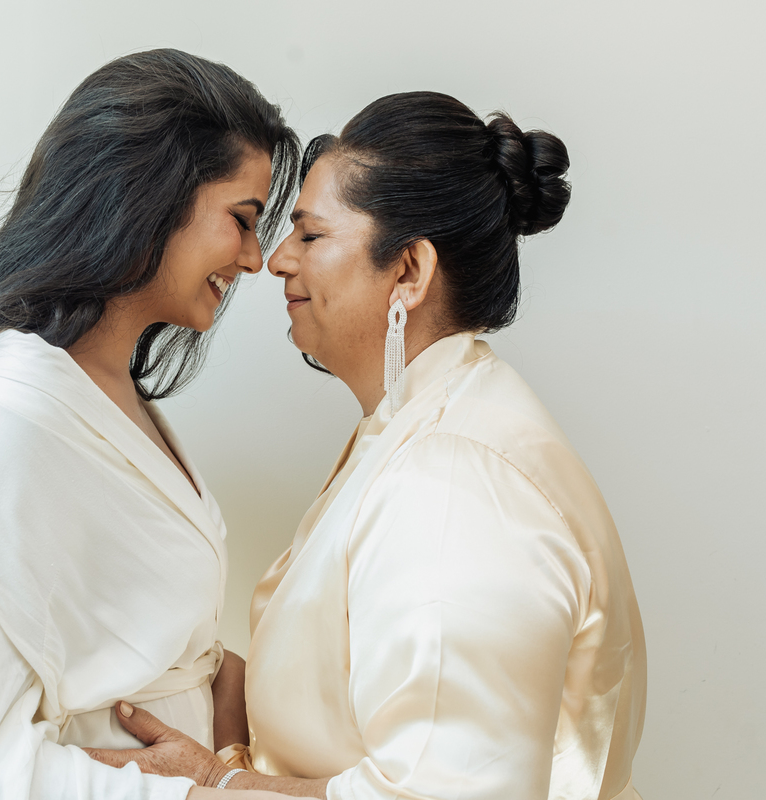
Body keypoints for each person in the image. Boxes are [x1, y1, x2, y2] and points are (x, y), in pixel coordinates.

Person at [86, 92, 647, 800]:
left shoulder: (455, 483)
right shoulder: (420, 427)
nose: (275, 260)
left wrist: (215, 781)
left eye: (311, 235)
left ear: (409, 270)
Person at [0, 49, 303, 800]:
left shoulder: (101, 392)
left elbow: (140, 646)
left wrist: (228, 731)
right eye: (240, 220)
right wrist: (204, 792)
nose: (256, 259)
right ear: (147, 196)